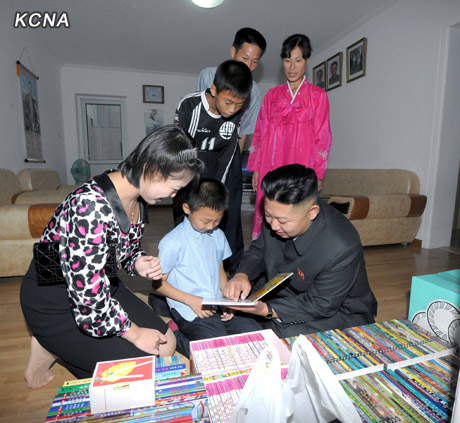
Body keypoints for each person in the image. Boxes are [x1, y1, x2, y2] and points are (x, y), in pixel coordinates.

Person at [20, 125, 203, 388]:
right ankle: (48, 340)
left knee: (166, 344)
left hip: (98, 285)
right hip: (56, 301)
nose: (173, 197)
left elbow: (122, 252)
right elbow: (88, 302)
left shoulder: (135, 198)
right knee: (141, 369)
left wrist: (137, 260)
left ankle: (48, 345)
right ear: (151, 170)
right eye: (174, 189)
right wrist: (135, 333)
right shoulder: (89, 208)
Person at [224, 164, 378, 339]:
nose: (273, 226)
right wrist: (242, 274)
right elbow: (259, 250)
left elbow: (320, 304)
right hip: (285, 288)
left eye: (282, 221)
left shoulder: (341, 245)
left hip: (337, 311)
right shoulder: (278, 215)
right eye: (268, 215)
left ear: (312, 212)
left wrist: (267, 311)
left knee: (285, 336)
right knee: (227, 294)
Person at [154, 179, 261, 356]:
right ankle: (175, 333)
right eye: (205, 221)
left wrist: (227, 301)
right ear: (187, 209)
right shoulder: (173, 242)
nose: (211, 226)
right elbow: (158, 284)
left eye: (217, 220)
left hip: (215, 302)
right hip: (188, 307)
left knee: (255, 335)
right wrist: (191, 301)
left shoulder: (218, 235)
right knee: (216, 352)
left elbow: (219, 271)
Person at [247, 33, 332, 240]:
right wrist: (256, 168)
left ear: (308, 60)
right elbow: (259, 132)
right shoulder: (272, 96)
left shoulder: (318, 96)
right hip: (270, 163)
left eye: (298, 60)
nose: (292, 67)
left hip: (302, 164)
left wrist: (318, 173)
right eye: (287, 60)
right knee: (271, 210)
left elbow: (323, 136)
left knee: (296, 213)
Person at [174, 59, 252, 274]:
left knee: (213, 220)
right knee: (186, 221)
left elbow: (228, 153)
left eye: (239, 105)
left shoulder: (234, 113)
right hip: (188, 166)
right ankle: (183, 269)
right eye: (228, 102)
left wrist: (218, 186)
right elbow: (182, 148)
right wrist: (189, 187)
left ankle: (214, 269)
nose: (233, 109)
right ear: (215, 90)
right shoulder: (190, 105)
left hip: (216, 165)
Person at [197, 27, 267, 153]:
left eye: (255, 62)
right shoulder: (208, 76)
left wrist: (236, 161)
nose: (249, 66)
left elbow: (244, 130)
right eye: (245, 58)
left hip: (230, 150)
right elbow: (199, 120)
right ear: (233, 52)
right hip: (205, 149)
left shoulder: (254, 90)